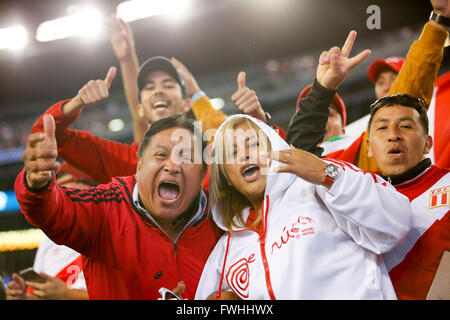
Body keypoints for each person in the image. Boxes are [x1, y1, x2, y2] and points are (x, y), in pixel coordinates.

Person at [194, 114, 412, 300]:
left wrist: (328, 175)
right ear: (227, 177)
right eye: (232, 153)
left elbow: (396, 221)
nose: (245, 154)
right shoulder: (226, 250)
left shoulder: (318, 184)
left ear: (275, 147)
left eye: (254, 144)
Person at [15, 114, 222, 299]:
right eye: (161, 155)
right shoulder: (106, 209)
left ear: (203, 173)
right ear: (139, 166)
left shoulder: (223, 220)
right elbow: (53, 210)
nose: (172, 165)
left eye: (185, 157)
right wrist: (36, 185)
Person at [288, 0, 449, 171]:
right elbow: (296, 157)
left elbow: (405, 98)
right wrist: (322, 88)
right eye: (317, 116)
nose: (393, 135)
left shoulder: (356, 152)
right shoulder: (342, 169)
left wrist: (439, 23)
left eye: (330, 115)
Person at [31, 56, 227, 186]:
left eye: (168, 85)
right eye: (149, 88)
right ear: (140, 108)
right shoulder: (125, 160)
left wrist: (197, 95)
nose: (158, 90)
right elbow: (46, 134)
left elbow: (233, 140)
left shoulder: (208, 153)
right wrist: (76, 103)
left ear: (186, 104)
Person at [364, 94, 450, 299]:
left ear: (428, 144)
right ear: (369, 147)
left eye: (405, 126)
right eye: (382, 128)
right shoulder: (352, 195)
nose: (393, 135)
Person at [6, 163, 95, 300]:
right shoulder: (48, 241)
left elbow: (122, 294)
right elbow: (39, 293)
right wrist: (23, 296)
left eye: (69, 197)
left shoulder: (110, 236)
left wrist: (66, 294)